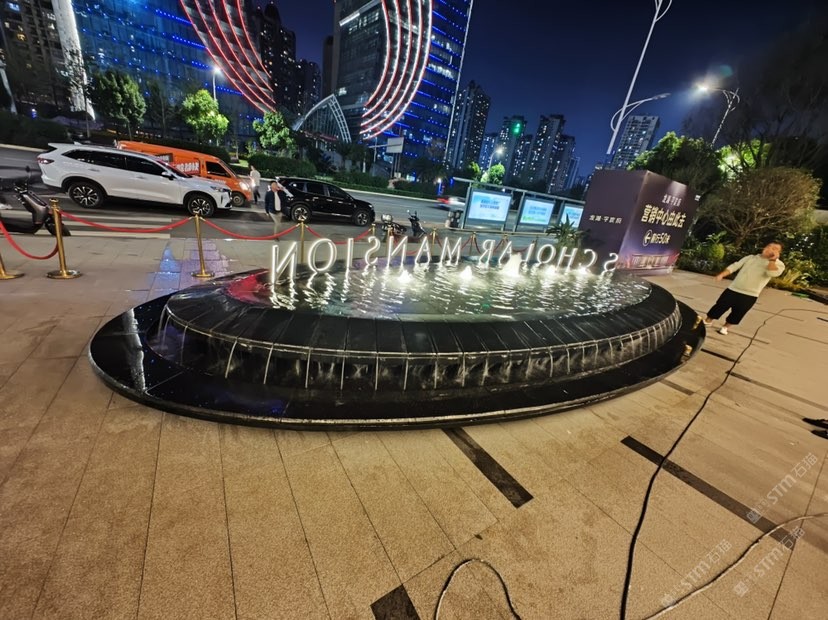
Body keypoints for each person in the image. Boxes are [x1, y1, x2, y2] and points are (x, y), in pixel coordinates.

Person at [702, 241, 785, 335]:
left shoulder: (779, 264)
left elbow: (771, 273)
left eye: (774, 249)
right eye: (769, 246)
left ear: (778, 253)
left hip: (751, 294)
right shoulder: (751, 258)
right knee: (720, 305)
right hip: (734, 288)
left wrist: (772, 260)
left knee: (739, 312)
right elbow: (735, 266)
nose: (770, 249)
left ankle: (725, 327)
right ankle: (708, 321)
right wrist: (722, 275)